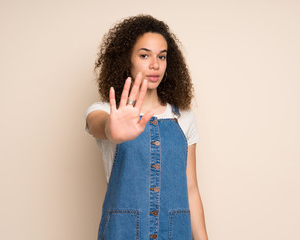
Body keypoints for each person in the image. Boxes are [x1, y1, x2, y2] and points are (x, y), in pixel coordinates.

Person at [86, 15, 208, 240]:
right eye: (144, 55)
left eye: (162, 56)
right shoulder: (106, 112)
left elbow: (191, 190)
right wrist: (109, 128)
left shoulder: (184, 118)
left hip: (176, 233)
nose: (155, 65)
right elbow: (96, 124)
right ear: (126, 60)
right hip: (122, 233)